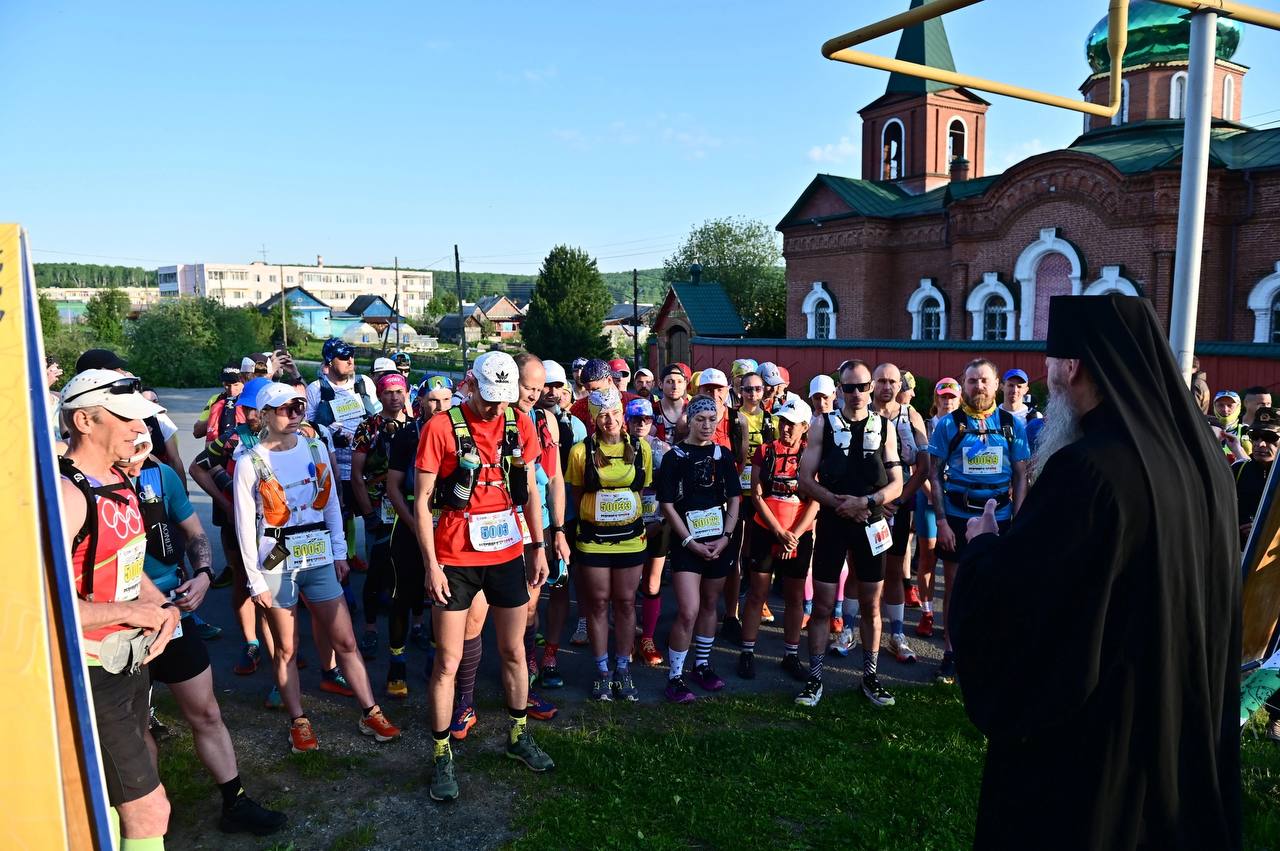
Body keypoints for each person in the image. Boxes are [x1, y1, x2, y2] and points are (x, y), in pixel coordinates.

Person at [949, 294, 1241, 850]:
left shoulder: (1088, 472)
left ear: (1074, 366)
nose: (1045, 374)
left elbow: (1026, 611)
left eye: (1050, 360)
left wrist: (983, 549)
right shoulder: (1203, 463)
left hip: (1102, 747)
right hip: (1180, 723)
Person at [119, 433, 286, 836]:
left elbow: (194, 532)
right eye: (130, 443)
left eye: (143, 444)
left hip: (173, 614)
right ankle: (149, 817)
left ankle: (235, 802)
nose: (138, 454)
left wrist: (205, 575)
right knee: (135, 727)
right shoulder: (87, 486)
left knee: (207, 712)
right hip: (123, 621)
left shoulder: (159, 475)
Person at [415, 351, 553, 803]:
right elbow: (422, 502)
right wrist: (431, 564)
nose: (496, 408)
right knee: (448, 661)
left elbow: (529, 491)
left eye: (503, 399)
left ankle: (518, 735)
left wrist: (538, 545)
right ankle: (441, 753)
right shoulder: (441, 427)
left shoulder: (520, 423)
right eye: (489, 398)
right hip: (455, 558)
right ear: (470, 384)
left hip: (507, 552)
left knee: (514, 649)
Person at [233, 382, 401, 753]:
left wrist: (340, 552)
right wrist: (254, 581)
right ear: (265, 415)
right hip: (276, 559)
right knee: (287, 649)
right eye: (286, 409)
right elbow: (244, 526)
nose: (296, 414)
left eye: (299, 407)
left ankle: (370, 711)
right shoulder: (248, 461)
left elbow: (332, 504)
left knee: (346, 640)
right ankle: (298, 720)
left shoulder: (315, 446)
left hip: (319, 554)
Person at [58, 369, 181, 849]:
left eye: (142, 419)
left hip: (127, 660)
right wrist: (133, 614)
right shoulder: (67, 495)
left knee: (110, 802)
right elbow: (48, 609)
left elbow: (125, 560)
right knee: (150, 811)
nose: (139, 429)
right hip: (89, 671)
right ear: (84, 421)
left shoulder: (119, 478)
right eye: (126, 418)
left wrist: (159, 605)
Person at [797, 360, 903, 708]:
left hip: (871, 522)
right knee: (823, 604)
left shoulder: (885, 427)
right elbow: (805, 478)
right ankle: (815, 678)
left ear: (871, 387)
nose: (856, 393)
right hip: (833, 522)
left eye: (862, 386)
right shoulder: (822, 424)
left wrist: (866, 502)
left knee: (872, 603)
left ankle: (870, 677)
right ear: (839, 389)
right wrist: (838, 503)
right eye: (848, 387)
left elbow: (897, 483)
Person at [927, 359, 1029, 685]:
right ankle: (950, 652)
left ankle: (987, 651)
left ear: (996, 384)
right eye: (972, 381)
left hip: (999, 517)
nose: (978, 386)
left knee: (996, 585)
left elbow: (1021, 474)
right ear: (964, 385)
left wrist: (1019, 520)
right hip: (958, 516)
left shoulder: (1011, 424)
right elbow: (933, 473)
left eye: (984, 380)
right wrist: (941, 520)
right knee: (955, 586)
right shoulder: (949, 424)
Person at [566, 386, 654, 701]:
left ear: (623, 413)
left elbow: (639, 490)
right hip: (594, 541)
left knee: (626, 603)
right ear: (593, 418)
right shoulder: (580, 452)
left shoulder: (640, 448)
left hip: (631, 539)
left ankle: (623, 669)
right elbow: (578, 497)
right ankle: (603, 671)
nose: (610, 420)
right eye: (602, 415)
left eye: (615, 412)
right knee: (599, 603)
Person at [657, 395, 742, 703]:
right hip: (687, 544)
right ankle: (675, 676)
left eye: (711, 419)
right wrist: (688, 542)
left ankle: (701, 665)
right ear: (689, 421)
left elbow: (734, 497)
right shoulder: (675, 456)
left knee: (709, 605)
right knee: (688, 610)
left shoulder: (723, 455)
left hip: (718, 541)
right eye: (700, 419)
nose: (707, 425)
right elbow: (667, 504)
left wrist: (726, 537)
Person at [381, 375, 453, 698]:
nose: (440, 406)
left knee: (444, 595)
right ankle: (397, 662)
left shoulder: (459, 432)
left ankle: (436, 658)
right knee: (403, 595)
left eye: (446, 399)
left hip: (447, 523)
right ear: (420, 401)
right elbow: (393, 487)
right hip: (410, 521)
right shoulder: (407, 434)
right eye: (433, 400)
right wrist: (414, 524)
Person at [739, 398, 818, 681]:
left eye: (792, 424)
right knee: (757, 593)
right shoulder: (765, 451)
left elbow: (815, 501)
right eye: (782, 422)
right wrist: (778, 532)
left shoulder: (811, 454)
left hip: (798, 535)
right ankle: (747, 653)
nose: (785, 428)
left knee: (794, 596)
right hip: (766, 531)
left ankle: (791, 655)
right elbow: (757, 495)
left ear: (805, 426)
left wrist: (793, 536)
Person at [350, 372, 413, 661]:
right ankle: (371, 628)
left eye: (399, 391)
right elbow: (357, 475)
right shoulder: (368, 427)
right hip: (378, 507)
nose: (394, 397)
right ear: (379, 395)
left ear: (406, 393)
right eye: (388, 392)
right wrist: (368, 513)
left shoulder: (414, 425)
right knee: (375, 571)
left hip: (407, 507)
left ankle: (417, 624)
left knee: (410, 570)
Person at [305, 338, 380, 573]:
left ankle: (374, 567)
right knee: (340, 514)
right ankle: (344, 558)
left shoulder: (364, 383)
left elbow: (378, 415)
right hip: (335, 465)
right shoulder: (316, 388)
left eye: (352, 355)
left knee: (373, 516)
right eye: (344, 356)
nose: (350, 360)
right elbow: (308, 426)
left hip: (368, 466)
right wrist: (329, 434)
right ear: (329, 362)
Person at [534, 359, 587, 688]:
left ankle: (550, 655)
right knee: (527, 594)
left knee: (559, 586)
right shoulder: (520, 419)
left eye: (558, 386)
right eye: (546, 386)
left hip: (562, 518)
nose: (552, 392)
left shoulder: (575, 426)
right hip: (525, 520)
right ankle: (528, 655)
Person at [867, 362, 925, 662]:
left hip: (896, 506)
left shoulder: (910, 415)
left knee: (893, 570)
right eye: (882, 381)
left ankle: (897, 634)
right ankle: (850, 628)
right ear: (872, 384)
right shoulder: (860, 411)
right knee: (860, 569)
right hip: (866, 503)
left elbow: (924, 466)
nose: (887, 387)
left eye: (892, 381)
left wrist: (899, 500)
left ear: (899, 385)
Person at [626, 397, 671, 667]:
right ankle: (628, 636)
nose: (641, 424)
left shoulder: (664, 450)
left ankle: (648, 638)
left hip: (658, 521)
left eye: (646, 419)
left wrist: (661, 519)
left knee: (652, 583)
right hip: (627, 523)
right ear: (627, 421)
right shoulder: (617, 448)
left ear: (653, 422)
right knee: (628, 586)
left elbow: (672, 491)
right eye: (635, 419)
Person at [914, 378, 960, 638]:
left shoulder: (966, 426)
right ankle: (927, 612)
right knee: (928, 557)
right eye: (943, 396)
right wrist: (932, 494)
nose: (948, 401)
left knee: (955, 562)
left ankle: (952, 618)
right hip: (929, 497)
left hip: (955, 499)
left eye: (952, 397)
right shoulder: (926, 426)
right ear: (936, 399)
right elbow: (919, 466)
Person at [1233, 406, 1278, 547]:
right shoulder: (1238, 469)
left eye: (1270, 438)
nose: (1260, 444)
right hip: (1239, 552)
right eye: (1255, 436)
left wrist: (1264, 528)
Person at [570, 358, 639, 436]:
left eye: (596, 389)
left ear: (609, 380)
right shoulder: (580, 407)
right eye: (588, 390)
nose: (592, 394)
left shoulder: (634, 402)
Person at [194, 360, 244, 443]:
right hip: (219, 447)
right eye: (227, 385)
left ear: (244, 381)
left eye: (236, 385)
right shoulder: (216, 399)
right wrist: (219, 413)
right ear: (222, 383)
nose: (232, 390)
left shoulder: (250, 398)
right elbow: (197, 432)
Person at [1212, 390, 1252, 463]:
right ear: (1214, 406)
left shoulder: (1246, 431)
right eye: (1220, 405)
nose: (1225, 409)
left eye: (1230, 405)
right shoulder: (1206, 429)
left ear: (1238, 407)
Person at [654, 363, 689, 442]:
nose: (675, 387)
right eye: (670, 382)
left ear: (685, 384)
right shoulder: (651, 411)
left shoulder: (692, 410)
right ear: (660, 384)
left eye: (679, 382)